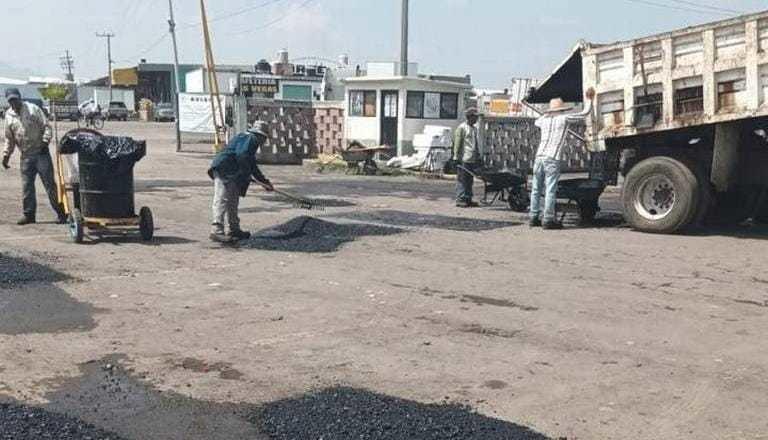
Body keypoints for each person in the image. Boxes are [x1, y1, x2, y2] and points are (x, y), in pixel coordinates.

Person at [530, 87, 596, 230]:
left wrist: (546, 114)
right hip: (552, 157)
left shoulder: (544, 121)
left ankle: (533, 217)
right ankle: (548, 219)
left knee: (536, 188)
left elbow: (536, 121)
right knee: (550, 189)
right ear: (562, 109)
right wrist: (590, 100)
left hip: (539, 156)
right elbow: (585, 114)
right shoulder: (564, 118)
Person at [2, 88, 66, 225]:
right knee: (27, 187)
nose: (14, 103)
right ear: (8, 101)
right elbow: (9, 138)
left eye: (15, 99)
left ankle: (62, 213)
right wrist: (6, 155)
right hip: (26, 156)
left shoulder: (33, 109)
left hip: (41, 153)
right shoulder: (8, 116)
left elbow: (47, 127)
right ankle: (29, 215)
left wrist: (45, 142)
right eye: (11, 100)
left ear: (20, 97)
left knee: (50, 185)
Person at [207, 121, 274, 242]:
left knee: (232, 200)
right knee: (222, 198)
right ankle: (216, 230)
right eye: (265, 138)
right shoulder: (250, 138)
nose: (264, 142)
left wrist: (265, 182)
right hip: (224, 168)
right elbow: (242, 155)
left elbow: (252, 164)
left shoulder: (251, 142)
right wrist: (246, 172)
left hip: (232, 172)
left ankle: (234, 229)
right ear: (261, 136)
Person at [453, 107, 482, 208]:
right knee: (462, 179)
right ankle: (460, 199)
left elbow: (475, 143)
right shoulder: (462, 128)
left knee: (469, 180)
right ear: (470, 117)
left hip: (472, 158)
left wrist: (478, 155)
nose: (477, 119)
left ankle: (468, 198)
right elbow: (457, 143)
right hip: (464, 158)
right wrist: (456, 157)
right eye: (475, 117)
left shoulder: (474, 129)